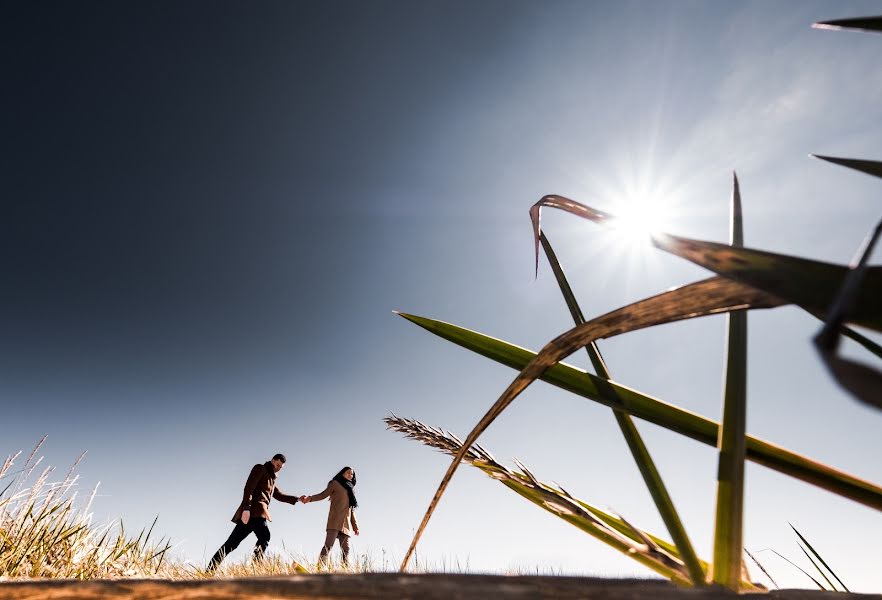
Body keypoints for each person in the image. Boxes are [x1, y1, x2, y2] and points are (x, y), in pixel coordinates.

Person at [207, 453, 300, 571]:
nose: (278, 468)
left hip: (254, 515)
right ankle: (256, 568)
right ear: (272, 460)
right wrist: (246, 509)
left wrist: (297, 499)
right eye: (277, 465)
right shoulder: (260, 468)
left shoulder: (272, 479)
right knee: (264, 536)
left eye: (280, 467)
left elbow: (279, 495)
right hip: (254, 512)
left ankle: (209, 571)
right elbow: (248, 488)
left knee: (231, 544)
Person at [300, 466, 359, 567]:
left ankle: (346, 570)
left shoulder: (351, 490)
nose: (351, 475)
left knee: (346, 549)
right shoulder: (335, 484)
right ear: (343, 473)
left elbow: (351, 510)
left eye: (352, 474)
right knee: (328, 546)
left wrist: (355, 526)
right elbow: (323, 495)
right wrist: (310, 498)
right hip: (335, 520)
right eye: (348, 473)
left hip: (346, 524)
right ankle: (320, 567)